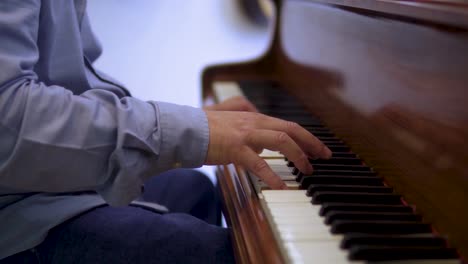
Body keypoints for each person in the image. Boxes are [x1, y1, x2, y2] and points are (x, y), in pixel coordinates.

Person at [0, 1, 332, 263]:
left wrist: (184, 124)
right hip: (13, 214)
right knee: (222, 254)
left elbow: (61, 88)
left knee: (194, 188)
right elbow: (7, 121)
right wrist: (183, 132)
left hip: (33, 187)